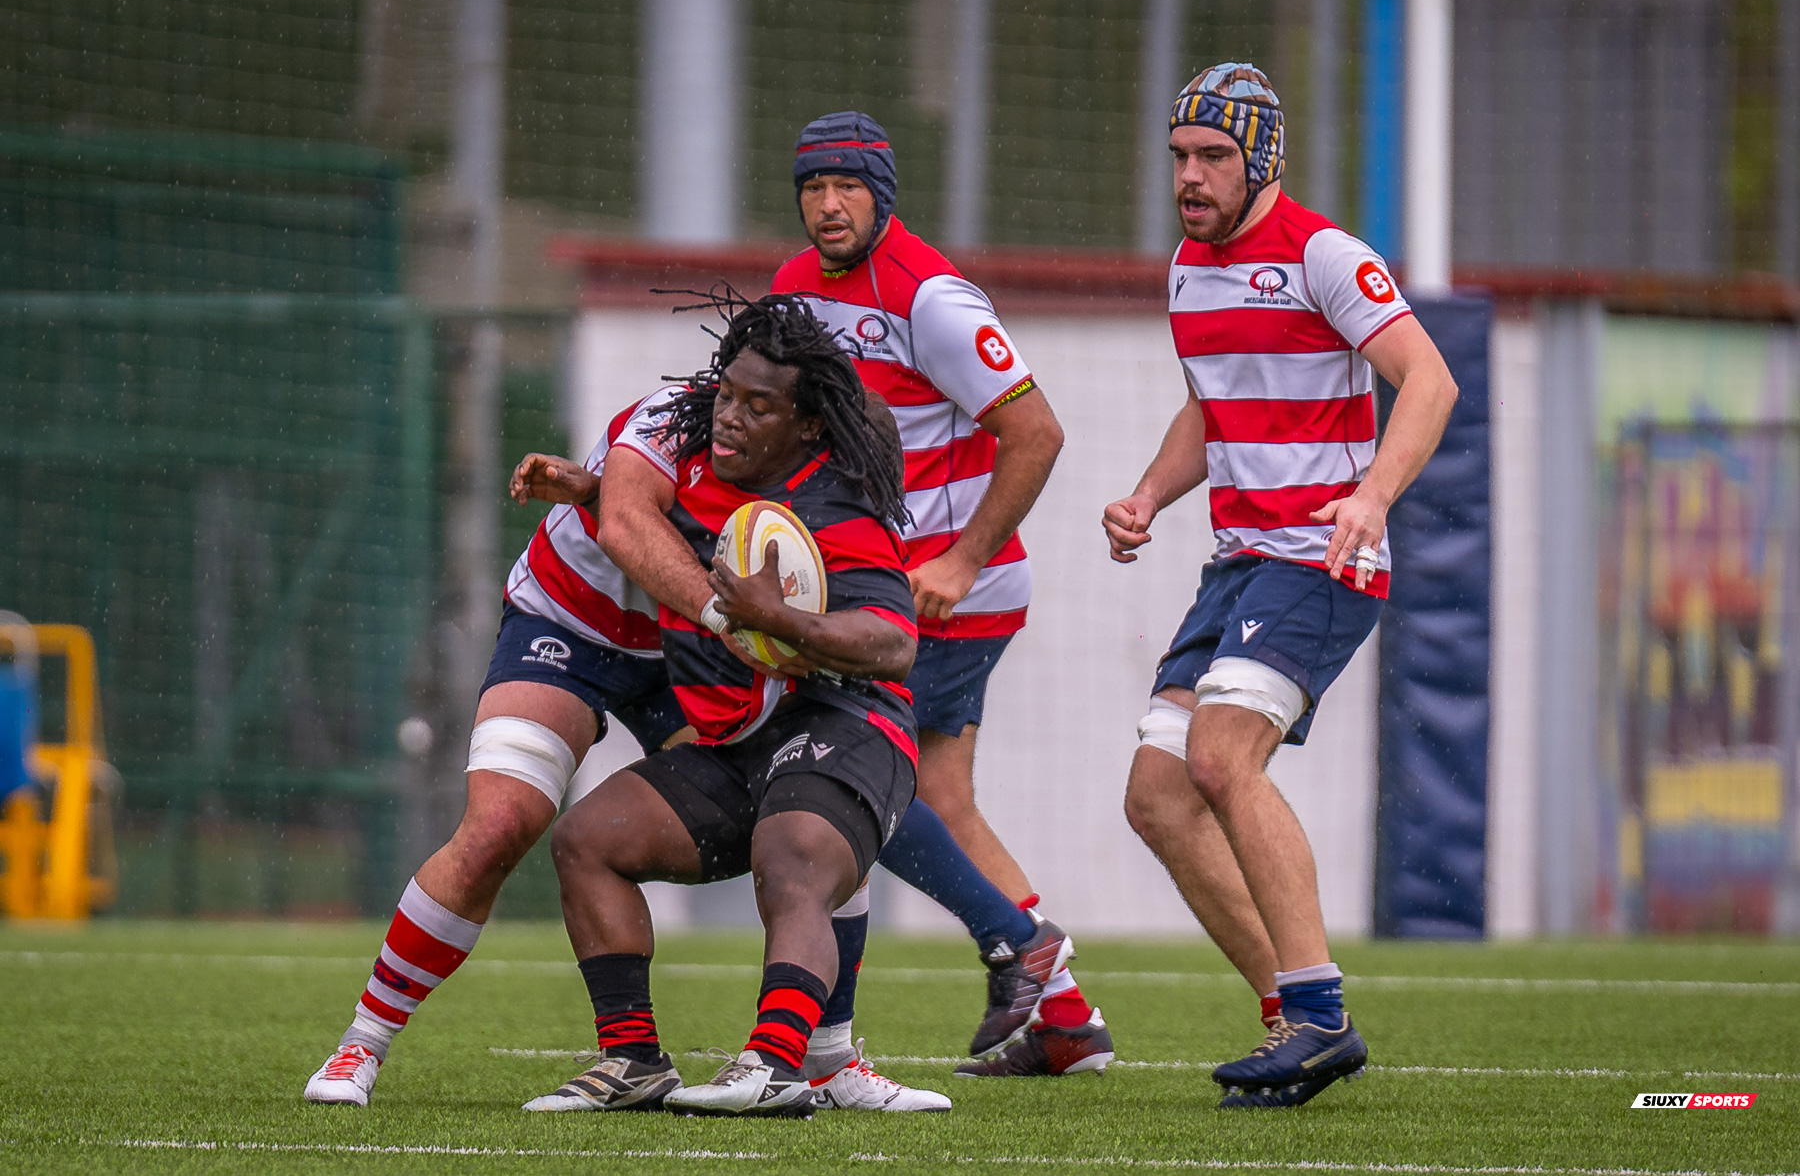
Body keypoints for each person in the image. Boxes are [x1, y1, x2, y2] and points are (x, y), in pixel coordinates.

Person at [1104, 63, 1458, 1109]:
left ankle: (1317, 1012)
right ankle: (1287, 1016)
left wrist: (1373, 497)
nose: (1191, 176)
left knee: (1218, 756)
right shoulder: (1186, 269)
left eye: (1213, 156)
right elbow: (1210, 411)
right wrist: (1148, 496)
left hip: (1322, 556)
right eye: (1179, 156)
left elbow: (1430, 380)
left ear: (1263, 158)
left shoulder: (1323, 255)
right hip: (1237, 562)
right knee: (1157, 797)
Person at [528, 291, 941, 1118]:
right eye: (727, 395)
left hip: (852, 725)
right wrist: (589, 488)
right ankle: (632, 1061)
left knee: (790, 854)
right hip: (736, 739)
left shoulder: (836, 502)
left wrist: (778, 618)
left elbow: (894, 641)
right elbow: (675, 528)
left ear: (806, 426)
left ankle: (780, 1064)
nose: (731, 418)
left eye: (760, 407)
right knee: (585, 840)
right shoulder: (698, 459)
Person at [768, 111, 1110, 1078]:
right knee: (943, 799)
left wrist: (959, 560)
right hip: (879, 593)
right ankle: (1067, 1020)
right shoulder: (796, 287)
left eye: (848, 186)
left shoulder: (934, 298)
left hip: (949, 599)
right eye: (812, 186)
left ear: (884, 192)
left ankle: (1017, 944)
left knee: (853, 784)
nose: (829, 205)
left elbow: (1037, 433)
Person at [301, 393, 691, 1108]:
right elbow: (631, 524)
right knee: (497, 828)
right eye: (740, 393)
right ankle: (363, 1039)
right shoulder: (677, 414)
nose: (744, 414)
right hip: (570, 621)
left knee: (802, 810)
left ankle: (818, 1057)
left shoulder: (810, 446)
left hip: (690, 649)